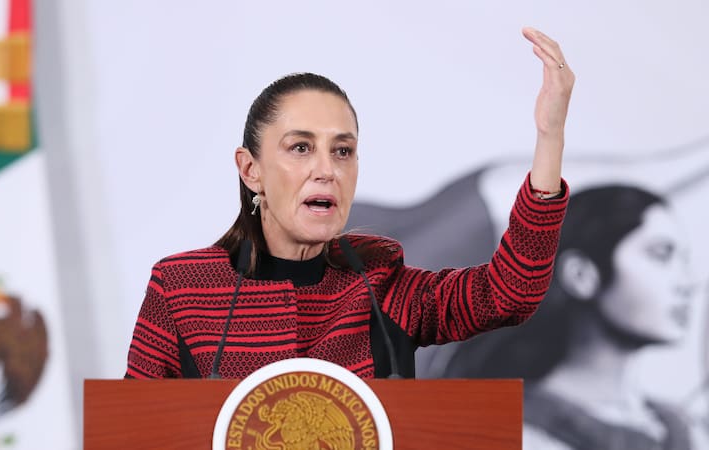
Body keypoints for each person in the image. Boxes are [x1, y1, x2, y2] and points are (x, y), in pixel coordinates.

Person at [124, 27, 574, 380]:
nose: (328, 170)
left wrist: (549, 136)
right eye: (300, 148)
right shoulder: (181, 288)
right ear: (250, 170)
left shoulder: (381, 284)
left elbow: (508, 294)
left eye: (343, 151)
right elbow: (132, 431)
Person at [443, 186, 699, 449]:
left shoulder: (682, 428)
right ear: (580, 275)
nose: (688, 283)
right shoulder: (513, 432)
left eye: (685, 260)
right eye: (661, 254)